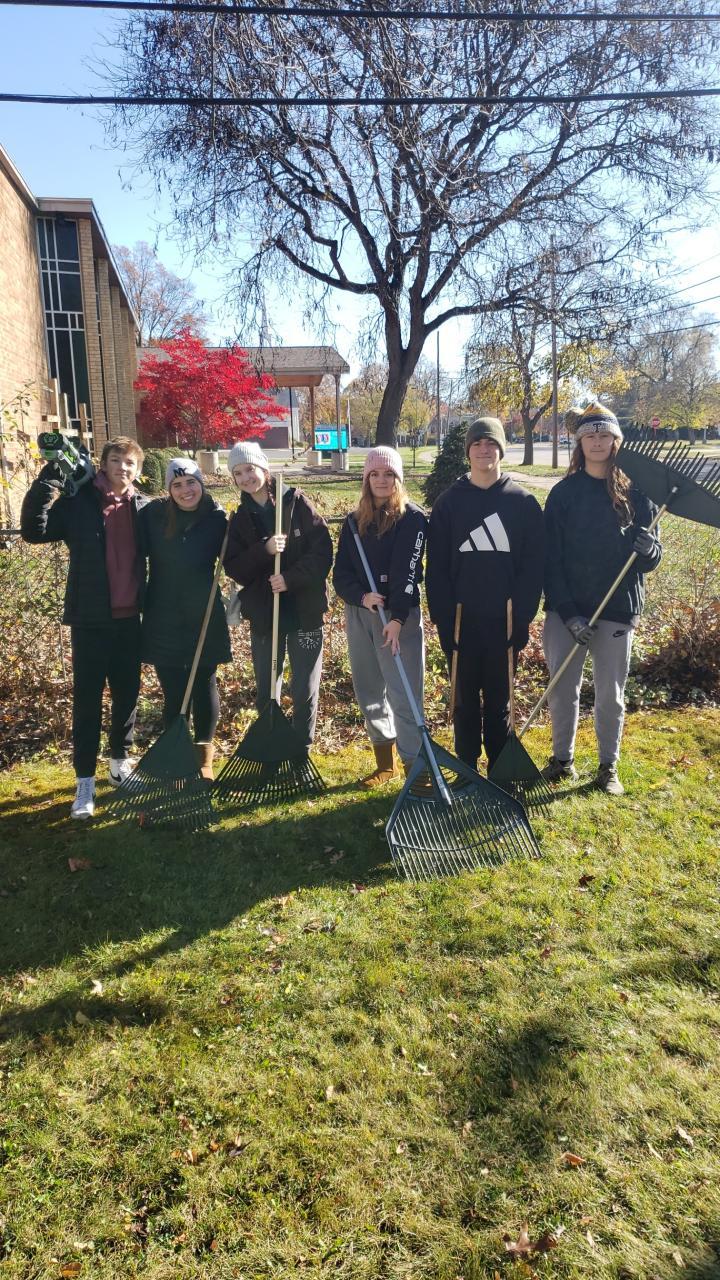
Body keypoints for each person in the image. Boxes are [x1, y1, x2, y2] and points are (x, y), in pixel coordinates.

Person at [21, 435, 147, 819]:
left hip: (131, 620)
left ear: (137, 470)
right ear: (103, 464)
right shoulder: (79, 503)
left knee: (127, 695)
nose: (122, 467)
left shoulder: (143, 507)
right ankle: (85, 783)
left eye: (129, 462)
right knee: (88, 701)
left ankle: (119, 765)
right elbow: (34, 529)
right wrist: (51, 477)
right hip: (91, 620)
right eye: (115, 460)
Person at [542, 402, 662, 795]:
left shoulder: (636, 494)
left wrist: (649, 551)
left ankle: (608, 767)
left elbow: (650, 560)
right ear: (580, 443)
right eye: (590, 435)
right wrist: (569, 613)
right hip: (567, 610)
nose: (597, 441)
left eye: (605, 434)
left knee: (610, 694)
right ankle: (562, 761)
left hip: (617, 608)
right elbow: (550, 559)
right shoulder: (563, 494)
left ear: (615, 441)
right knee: (563, 690)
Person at [426, 417, 544, 772]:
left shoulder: (523, 503)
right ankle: (466, 767)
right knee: (463, 702)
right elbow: (437, 570)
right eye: (477, 443)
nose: (484, 450)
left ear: (501, 450)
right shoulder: (448, 504)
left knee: (499, 702)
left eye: (491, 443)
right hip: (461, 622)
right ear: (468, 451)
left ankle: (499, 767)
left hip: (503, 623)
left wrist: (522, 618)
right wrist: (443, 620)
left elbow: (532, 568)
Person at [224, 442, 332, 750]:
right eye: (238, 473)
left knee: (304, 688)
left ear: (264, 468)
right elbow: (235, 568)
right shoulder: (239, 519)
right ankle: (273, 744)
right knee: (267, 688)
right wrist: (264, 550)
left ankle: (301, 748)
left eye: (250, 469)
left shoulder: (295, 504)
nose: (246, 477)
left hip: (304, 610)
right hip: (265, 614)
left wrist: (290, 579)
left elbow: (323, 552)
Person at [333, 447, 427, 786]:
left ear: (398, 478)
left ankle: (416, 766)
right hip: (361, 614)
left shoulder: (413, 519)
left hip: (398, 617)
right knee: (369, 688)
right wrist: (361, 596)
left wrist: (397, 618)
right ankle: (386, 764)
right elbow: (341, 574)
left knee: (404, 692)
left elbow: (407, 572)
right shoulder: (353, 522)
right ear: (366, 479)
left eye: (388, 474)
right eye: (374, 474)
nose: (381, 480)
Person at [138, 457, 231, 782]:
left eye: (191, 482)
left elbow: (238, 560)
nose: (185, 490)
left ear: (201, 483)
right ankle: (176, 757)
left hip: (203, 614)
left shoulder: (217, 518)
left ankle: (203, 760)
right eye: (176, 484)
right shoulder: (153, 515)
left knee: (204, 685)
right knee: (174, 692)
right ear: (169, 489)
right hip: (162, 614)